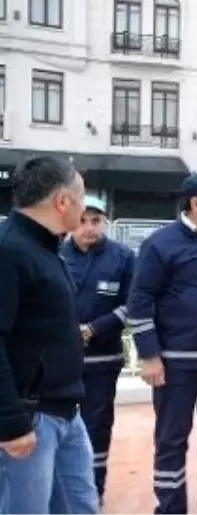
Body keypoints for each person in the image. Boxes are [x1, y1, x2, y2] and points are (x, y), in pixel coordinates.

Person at [126, 170, 197, 515]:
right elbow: (139, 301)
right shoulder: (160, 244)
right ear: (196, 202)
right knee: (171, 440)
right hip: (177, 364)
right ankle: (171, 508)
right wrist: (149, 356)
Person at [0, 156, 98, 515]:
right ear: (62, 201)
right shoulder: (9, 250)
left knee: (80, 506)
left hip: (66, 411)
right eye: (82, 196)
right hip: (30, 418)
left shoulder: (47, 248)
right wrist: (10, 423)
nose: (85, 207)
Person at [63, 196, 135, 502]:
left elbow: (133, 304)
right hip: (59, 360)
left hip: (103, 360)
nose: (89, 228)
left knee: (97, 425)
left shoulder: (123, 257)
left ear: (105, 222)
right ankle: (61, 489)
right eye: (82, 220)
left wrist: (94, 329)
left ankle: (93, 489)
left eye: (96, 221)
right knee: (57, 425)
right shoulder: (54, 253)